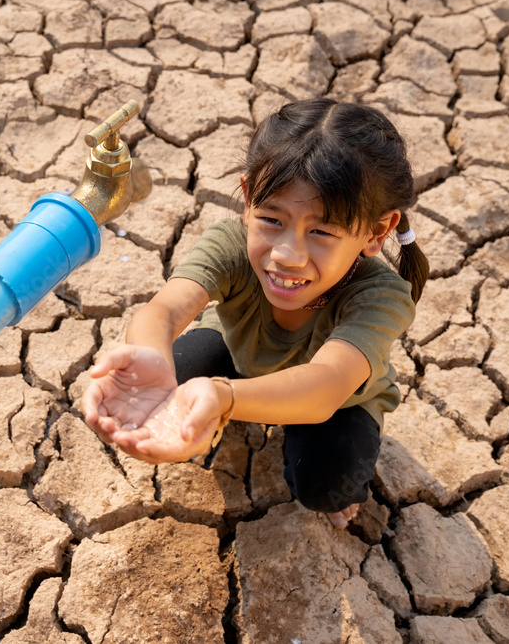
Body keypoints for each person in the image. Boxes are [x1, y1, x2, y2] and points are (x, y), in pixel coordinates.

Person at [81, 98, 429, 529]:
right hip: (234, 354)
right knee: (171, 385)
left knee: (325, 485)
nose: (286, 255)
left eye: (321, 231)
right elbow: (164, 311)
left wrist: (224, 399)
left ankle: (330, 477)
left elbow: (324, 388)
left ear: (377, 232)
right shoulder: (230, 243)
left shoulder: (381, 295)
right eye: (271, 219)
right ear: (248, 200)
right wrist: (151, 357)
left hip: (338, 403)